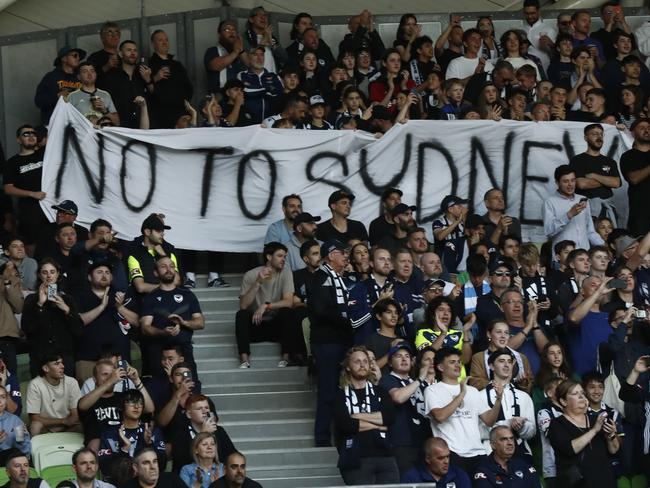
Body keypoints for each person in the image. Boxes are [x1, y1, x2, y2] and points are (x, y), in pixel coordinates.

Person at [425, 347, 503, 474]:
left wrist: (498, 399)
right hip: (452, 454)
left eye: (459, 362)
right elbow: (440, 417)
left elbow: (489, 421)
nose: (458, 365)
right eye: (452, 362)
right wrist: (462, 394)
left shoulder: (472, 391)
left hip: (479, 452)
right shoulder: (432, 390)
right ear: (440, 367)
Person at [307, 239, 353, 447]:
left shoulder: (337, 278)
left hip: (339, 341)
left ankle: (339, 435)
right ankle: (323, 438)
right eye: (342, 252)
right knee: (328, 390)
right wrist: (347, 320)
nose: (345, 255)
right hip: (327, 342)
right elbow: (320, 310)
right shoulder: (320, 277)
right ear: (330, 255)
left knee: (340, 390)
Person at [332, 346, 398, 485]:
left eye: (365, 361)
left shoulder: (381, 392)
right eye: (357, 361)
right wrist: (378, 426)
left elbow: (389, 418)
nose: (362, 365)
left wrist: (358, 416)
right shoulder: (340, 396)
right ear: (348, 367)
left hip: (386, 456)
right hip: (355, 458)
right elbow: (346, 425)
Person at [235, 242, 300, 368]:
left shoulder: (286, 273)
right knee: (241, 315)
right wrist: (258, 282)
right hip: (256, 324)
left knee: (287, 312)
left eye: (285, 256)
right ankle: (244, 360)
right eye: (280, 256)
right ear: (269, 257)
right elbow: (243, 305)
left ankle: (285, 358)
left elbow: (288, 301)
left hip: (276, 326)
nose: (284, 260)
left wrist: (266, 305)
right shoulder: (251, 275)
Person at [140, 256, 204, 378]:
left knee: (190, 387)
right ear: (155, 272)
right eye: (163, 267)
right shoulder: (150, 298)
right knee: (161, 390)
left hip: (184, 352)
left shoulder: (188, 295)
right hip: (159, 353)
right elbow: (145, 327)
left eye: (172, 266)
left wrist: (183, 322)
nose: (169, 269)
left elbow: (200, 323)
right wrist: (163, 332)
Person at [74, 262, 139, 381]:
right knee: (89, 397)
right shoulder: (79, 296)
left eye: (107, 272)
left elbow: (137, 322)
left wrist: (120, 307)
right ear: (89, 277)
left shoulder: (120, 296)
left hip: (120, 361)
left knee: (122, 397)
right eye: (99, 272)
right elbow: (78, 321)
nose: (104, 275)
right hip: (89, 359)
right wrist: (101, 306)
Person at [548, 379, 619, 487]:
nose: (581, 396)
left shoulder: (596, 419)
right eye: (575, 394)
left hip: (604, 480)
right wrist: (594, 430)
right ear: (563, 401)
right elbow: (570, 449)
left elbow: (613, 450)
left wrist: (611, 435)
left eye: (582, 393)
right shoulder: (556, 424)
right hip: (577, 483)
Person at [21, 260, 83, 378]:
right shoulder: (31, 300)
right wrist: (40, 304)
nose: (49, 275)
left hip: (64, 357)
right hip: (40, 358)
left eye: (52, 272)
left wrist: (66, 309)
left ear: (58, 274)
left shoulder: (68, 299)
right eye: (44, 272)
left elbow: (79, 330)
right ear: (39, 275)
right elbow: (27, 329)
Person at [77, 358, 153, 452]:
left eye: (112, 374)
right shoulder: (90, 400)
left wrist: (136, 380)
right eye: (105, 374)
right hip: (100, 448)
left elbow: (149, 409)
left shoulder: (122, 397)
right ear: (94, 378)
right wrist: (110, 380)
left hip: (125, 443)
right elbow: (82, 406)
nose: (110, 377)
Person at [378, 342, 430, 475]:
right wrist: (420, 380)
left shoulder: (418, 382)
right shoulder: (387, 380)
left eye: (407, 356)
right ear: (390, 363)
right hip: (402, 443)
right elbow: (398, 397)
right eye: (398, 356)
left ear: (412, 362)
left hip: (424, 442)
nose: (404, 359)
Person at [98, 389, 166, 481]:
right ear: (121, 406)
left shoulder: (152, 431)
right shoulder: (110, 433)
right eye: (131, 402)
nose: (137, 406)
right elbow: (106, 469)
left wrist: (149, 444)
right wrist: (124, 449)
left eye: (140, 403)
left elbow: (162, 465)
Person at [480, 349, 536, 457]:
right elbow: (480, 431)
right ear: (491, 366)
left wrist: (522, 427)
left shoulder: (524, 396)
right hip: (490, 453)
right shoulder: (480, 396)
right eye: (501, 361)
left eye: (509, 362)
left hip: (521, 452)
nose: (506, 365)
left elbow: (532, 432)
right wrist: (508, 423)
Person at [3, 125, 48, 257]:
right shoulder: (12, 163)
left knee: (52, 239)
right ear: (18, 139)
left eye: (33, 134)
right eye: (26, 134)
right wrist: (32, 194)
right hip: (29, 209)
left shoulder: (46, 154)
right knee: (31, 243)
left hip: (50, 206)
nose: (31, 136)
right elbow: (8, 188)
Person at [543, 164, 604, 254]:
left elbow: (590, 231)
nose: (570, 184)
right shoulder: (549, 202)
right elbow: (549, 231)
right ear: (557, 182)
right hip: (563, 259)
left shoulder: (582, 199)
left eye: (573, 180)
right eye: (565, 181)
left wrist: (603, 246)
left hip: (584, 257)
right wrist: (569, 215)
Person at [169, 394, 235, 474]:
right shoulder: (180, 434)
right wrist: (203, 435)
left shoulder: (218, 431)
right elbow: (182, 461)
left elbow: (232, 455)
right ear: (189, 414)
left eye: (206, 408)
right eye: (199, 408)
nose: (205, 411)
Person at [569, 123, 621, 224]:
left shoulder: (610, 161)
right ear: (585, 138)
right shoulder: (577, 160)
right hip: (585, 208)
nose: (599, 137)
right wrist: (607, 181)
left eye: (601, 134)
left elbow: (616, 183)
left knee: (610, 238)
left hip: (607, 209)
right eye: (594, 134)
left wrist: (593, 176)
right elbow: (582, 184)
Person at [566, 276, 615, 375]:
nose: (599, 288)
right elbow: (574, 318)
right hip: (582, 376)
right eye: (593, 285)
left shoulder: (609, 316)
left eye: (600, 285)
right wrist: (598, 293)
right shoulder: (575, 312)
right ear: (582, 291)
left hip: (606, 376)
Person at [99, 40, 153, 129]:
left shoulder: (143, 73)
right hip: (120, 126)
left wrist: (148, 80)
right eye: (129, 50)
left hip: (143, 125)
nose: (133, 53)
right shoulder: (112, 75)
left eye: (135, 50)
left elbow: (155, 94)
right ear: (120, 54)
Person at [469, 320, 534, 393]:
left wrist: (523, 384)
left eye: (506, 333)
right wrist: (501, 386)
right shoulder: (479, 357)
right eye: (499, 332)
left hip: (516, 401)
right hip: (490, 401)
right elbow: (475, 383)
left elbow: (530, 385)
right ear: (489, 334)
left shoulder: (521, 358)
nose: (503, 336)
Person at [148, 29, 193, 129]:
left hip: (180, 114)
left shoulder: (177, 65)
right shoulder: (149, 65)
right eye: (160, 40)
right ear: (153, 44)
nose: (164, 42)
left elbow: (188, 87)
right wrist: (156, 77)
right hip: (159, 116)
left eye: (166, 40)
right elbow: (144, 89)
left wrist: (184, 104)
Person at [25, 355, 81, 436]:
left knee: (82, 425)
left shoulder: (71, 382)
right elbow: (34, 418)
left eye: (62, 363)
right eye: (57, 363)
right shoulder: (35, 385)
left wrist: (66, 423)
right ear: (45, 368)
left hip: (68, 427)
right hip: (45, 428)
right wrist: (63, 421)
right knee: (35, 426)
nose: (62, 366)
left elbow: (75, 415)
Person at [473, 425, 541, 487]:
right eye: (504, 439)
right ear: (493, 445)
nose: (510, 443)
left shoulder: (524, 466)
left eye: (511, 438)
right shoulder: (483, 471)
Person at [34, 46, 85, 124]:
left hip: (76, 124)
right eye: (75, 55)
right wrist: (57, 96)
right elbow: (38, 101)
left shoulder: (81, 77)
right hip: (55, 124)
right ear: (64, 58)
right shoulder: (51, 77)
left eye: (79, 56)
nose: (78, 58)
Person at [401, 437, 471, 486]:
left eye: (448, 456)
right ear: (428, 459)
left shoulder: (459, 475)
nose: (446, 461)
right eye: (440, 458)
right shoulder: (412, 477)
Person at [621, 119, 650, 235]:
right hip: (641, 215)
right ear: (632, 133)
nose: (647, 130)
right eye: (642, 128)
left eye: (649, 128)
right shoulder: (628, 156)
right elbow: (634, 179)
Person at [204, 20, 247, 95]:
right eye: (227, 30)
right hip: (219, 98)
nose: (231, 32)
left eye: (234, 30)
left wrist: (240, 50)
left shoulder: (241, 53)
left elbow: (251, 66)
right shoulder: (212, 50)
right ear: (219, 34)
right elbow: (215, 66)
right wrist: (235, 52)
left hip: (238, 97)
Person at [432, 194, 468, 273]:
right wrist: (457, 222)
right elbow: (440, 236)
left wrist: (464, 220)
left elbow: (469, 237)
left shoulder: (463, 223)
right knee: (450, 284)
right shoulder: (439, 222)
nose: (462, 208)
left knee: (462, 283)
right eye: (459, 206)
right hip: (444, 269)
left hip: (462, 268)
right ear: (450, 209)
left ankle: (461, 283)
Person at [0, 387, 30, 465]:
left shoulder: (15, 420)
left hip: (11, 462)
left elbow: (25, 451)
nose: (0, 401)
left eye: (3, 397)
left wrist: (21, 441)